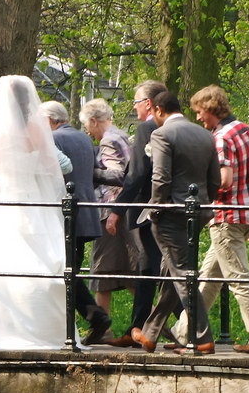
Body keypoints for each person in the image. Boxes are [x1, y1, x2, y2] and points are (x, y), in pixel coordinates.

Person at [0, 75, 69, 350]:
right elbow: (51, 166)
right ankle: (48, 330)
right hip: (34, 201)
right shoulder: (37, 129)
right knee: (37, 257)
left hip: (6, 198)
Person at [170, 85, 249, 355]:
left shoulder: (220, 138)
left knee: (238, 278)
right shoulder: (247, 131)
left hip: (226, 216)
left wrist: (198, 195)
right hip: (244, 215)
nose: (198, 118)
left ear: (211, 108)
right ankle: (185, 333)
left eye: (199, 112)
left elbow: (225, 179)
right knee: (208, 278)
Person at [130, 91, 222, 355]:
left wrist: (156, 210)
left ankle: (202, 338)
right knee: (170, 271)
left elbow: (160, 178)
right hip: (197, 212)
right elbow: (214, 180)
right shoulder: (206, 135)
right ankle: (150, 334)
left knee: (181, 273)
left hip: (171, 214)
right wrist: (202, 203)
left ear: (158, 110)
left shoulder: (162, 135)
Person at [102, 80, 177, 348]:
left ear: (148, 103)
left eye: (136, 102)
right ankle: (141, 328)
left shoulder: (147, 127)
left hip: (149, 208)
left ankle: (186, 324)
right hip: (173, 207)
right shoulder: (178, 127)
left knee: (156, 267)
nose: (134, 108)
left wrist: (116, 210)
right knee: (156, 267)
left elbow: (137, 173)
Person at [41, 100, 112, 344]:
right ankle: (76, 324)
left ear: (48, 120)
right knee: (70, 270)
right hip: (87, 212)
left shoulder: (53, 139)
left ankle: (95, 317)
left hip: (65, 215)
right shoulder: (84, 138)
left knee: (64, 271)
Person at [79, 98, 140, 334]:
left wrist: (88, 171)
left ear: (94, 121)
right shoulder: (121, 135)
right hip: (123, 210)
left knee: (102, 269)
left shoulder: (108, 140)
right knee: (120, 272)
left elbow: (117, 175)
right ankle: (150, 325)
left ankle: (104, 330)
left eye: (88, 126)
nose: (88, 132)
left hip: (111, 211)